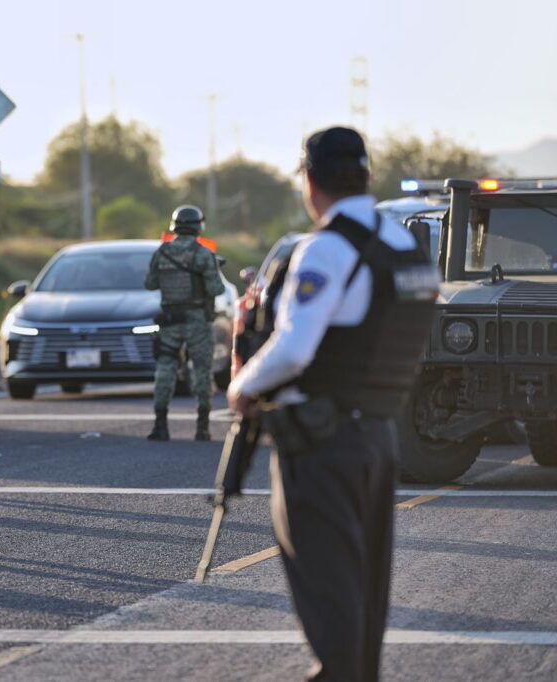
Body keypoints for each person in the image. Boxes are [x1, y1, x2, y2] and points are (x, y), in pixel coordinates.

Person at [227, 126, 438, 681]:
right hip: (378, 440)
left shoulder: (326, 247)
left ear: (311, 182)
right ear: (368, 177)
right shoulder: (406, 245)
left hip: (320, 446)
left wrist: (243, 387)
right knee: (364, 600)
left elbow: (294, 347)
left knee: (330, 600)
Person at [144, 205, 225, 441]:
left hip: (170, 320)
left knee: (165, 369)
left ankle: (160, 425)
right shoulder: (203, 254)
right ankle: (202, 427)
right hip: (197, 320)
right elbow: (216, 289)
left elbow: (150, 284)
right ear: (199, 226)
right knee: (202, 371)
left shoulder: (162, 253)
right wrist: (214, 269)